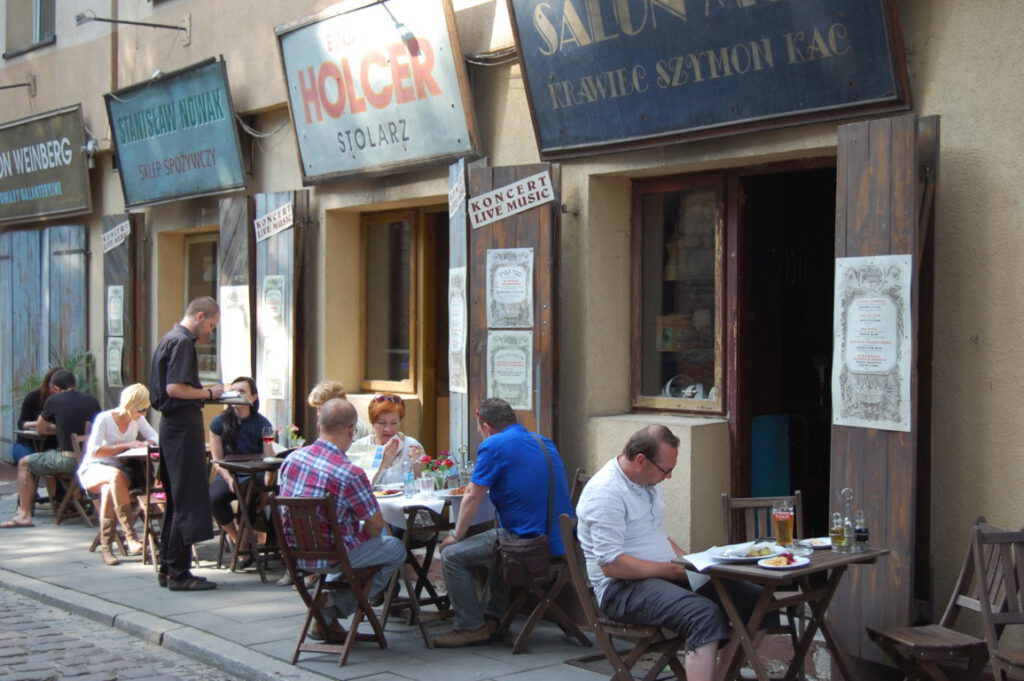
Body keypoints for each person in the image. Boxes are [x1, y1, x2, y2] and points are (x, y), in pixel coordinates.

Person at [576, 425, 769, 681]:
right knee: (702, 614)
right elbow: (612, 565)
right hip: (621, 587)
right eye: (666, 470)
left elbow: (658, 535)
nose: (668, 477)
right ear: (641, 460)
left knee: (758, 601)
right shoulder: (605, 493)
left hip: (661, 574)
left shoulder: (647, 481)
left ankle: (723, 676)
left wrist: (690, 561)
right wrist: (671, 569)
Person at [436, 397, 573, 648]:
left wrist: (456, 535)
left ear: (485, 426)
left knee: (453, 555)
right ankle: (491, 618)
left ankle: (470, 626)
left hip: (530, 544)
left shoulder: (494, 445)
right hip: (560, 541)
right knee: (499, 537)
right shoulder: (542, 441)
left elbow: (472, 495)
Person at [277, 398, 406, 641]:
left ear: (319, 427)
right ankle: (330, 604)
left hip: (296, 553)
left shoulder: (292, 460)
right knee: (395, 547)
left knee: (357, 541)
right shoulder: (348, 472)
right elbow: (376, 524)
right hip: (335, 554)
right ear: (351, 430)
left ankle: (324, 616)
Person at [150, 296, 223, 591]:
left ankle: (169, 568)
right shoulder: (181, 342)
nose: (210, 332)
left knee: (177, 499)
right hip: (180, 427)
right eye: (211, 325)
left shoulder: (170, 338)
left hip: (172, 427)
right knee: (187, 498)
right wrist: (209, 394)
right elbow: (174, 388)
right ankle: (179, 573)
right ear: (200, 316)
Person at [1, 370, 101, 528]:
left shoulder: (54, 400)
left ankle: (24, 515)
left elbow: (41, 429)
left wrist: (57, 429)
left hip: (69, 459)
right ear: (74, 384)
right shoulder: (92, 400)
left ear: (55, 388)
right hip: (91, 459)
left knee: (25, 463)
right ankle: (71, 501)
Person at [77, 383, 159, 566]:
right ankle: (130, 536)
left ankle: (107, 547)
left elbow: (155, 437)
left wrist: (144, 443)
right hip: (95, 468)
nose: (143, 414)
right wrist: (125, 446)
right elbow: (94, 451)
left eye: (146, 410)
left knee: (109, 488)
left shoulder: (137, 419)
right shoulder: (105, 419)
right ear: (129, 405)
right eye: (140, 409)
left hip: (121, 473)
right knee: (112, 477)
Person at [208, 376, 273, 562]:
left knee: (249, 494)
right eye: (234, 391)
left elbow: (269, 457)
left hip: (254, 474)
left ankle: (243, 547)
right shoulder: (218, 423)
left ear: (253, 397)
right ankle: (239, 540)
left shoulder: (263, 424)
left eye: (242, 392)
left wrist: (267, 488)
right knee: (213, 498)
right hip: (228, 473)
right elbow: (217, 460)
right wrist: (228, 479)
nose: (237, 395)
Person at [352, 393, 424, 485]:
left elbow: (422, 487)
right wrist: (383, 462)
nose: (388, 429)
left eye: (394, 423)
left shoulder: (411, 446)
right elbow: (358, 488)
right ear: (372, 422)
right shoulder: (361, 446)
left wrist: (417, 463)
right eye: (382, 423)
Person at [8, 366, 60, 464]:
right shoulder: (33, 396)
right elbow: (21, 423)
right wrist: (38, 423)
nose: (55, 390)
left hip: (51, 446)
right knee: (29, 464)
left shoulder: (64, 401)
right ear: (48, 383)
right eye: (53, 386)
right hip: (26, 444)